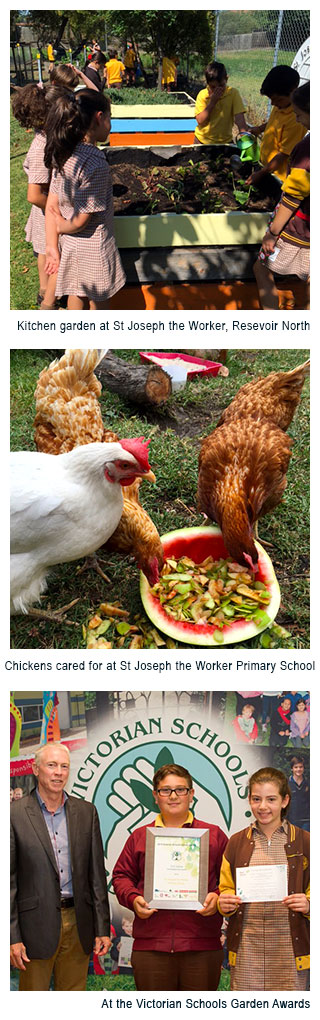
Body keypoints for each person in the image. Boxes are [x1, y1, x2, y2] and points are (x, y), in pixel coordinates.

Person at [112, 763, 227, 991]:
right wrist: (134, 899)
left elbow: (231, 881)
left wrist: (217, 897)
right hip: (151, 947)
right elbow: (121, 876)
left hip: (201, 947)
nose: (173, 796)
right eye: (165, 790)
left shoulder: (214, 835)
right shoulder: (139, 836)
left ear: (191, 794)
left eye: (180, 789)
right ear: (155, 796)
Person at [10, 741, 110, 990]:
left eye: (64, 766)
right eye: (51, 765)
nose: (58, 772)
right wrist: (12, 937)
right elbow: (7, 882)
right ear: (35, 769)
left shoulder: (87, 813)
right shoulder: (14, 814)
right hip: (33, 927)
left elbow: (96, 875)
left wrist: (102, 928)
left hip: (79, 924)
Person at [218, 767, 310, 991]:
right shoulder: (236, 842)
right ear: (249, 800)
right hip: (248, 947)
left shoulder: (305, 841)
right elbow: (226, 890)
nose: (263, 807)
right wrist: (225, 902)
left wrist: (309, 904)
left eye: (271, 799)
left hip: (289, 948)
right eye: (256, 799)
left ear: (285, 800)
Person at [43, 89, 125, 310]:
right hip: (94, 245)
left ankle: (75, 341)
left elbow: (52, 205)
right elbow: (81, 220)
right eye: (110, 118)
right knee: (98, 299)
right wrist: (63, 226)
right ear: (99, 118)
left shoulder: (64, 152)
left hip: (70, 245)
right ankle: (98, 342)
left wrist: (53, 243)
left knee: (76, 292)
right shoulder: (96, 164)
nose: (110, 124)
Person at [254, 81, 310, 311]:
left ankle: (271, 326)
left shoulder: (306, 150)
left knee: (261, 268)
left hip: (298, 228)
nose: (298, 121)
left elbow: (292, 197)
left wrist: (272, 233)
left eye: (300, 115)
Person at [11, 83, 57, 310]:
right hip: (45, 212)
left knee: (43, 252)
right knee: (46, 254)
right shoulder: (41, 147)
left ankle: (45, 293)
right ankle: (47, 300)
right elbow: (34, 195)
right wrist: (57, 210)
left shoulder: (47, 139)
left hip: (47, 211)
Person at [249, 66, 306, 186]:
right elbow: (273, 122)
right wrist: (259, 129)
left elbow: (282, 155)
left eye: (277, 99)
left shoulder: (296, 121)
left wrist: (261, 173)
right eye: (271, 99)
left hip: (278, 177)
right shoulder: (281, 105)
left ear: (293, 91)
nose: (273, 103)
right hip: (267, 169)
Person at [194, 61, 248, 145]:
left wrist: (245, 138)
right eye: (213, 87)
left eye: (221, 86)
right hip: (202, 141)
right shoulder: (202, 95)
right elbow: (200, 120)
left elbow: (239, 118)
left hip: (225, 141)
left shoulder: (233, 93)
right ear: (207, 83)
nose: (217, 90)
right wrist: (212, 102)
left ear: (226, 79)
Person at [287, 756, 310, 831]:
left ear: (303, 768)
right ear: (292, 769)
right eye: (296, 767)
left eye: (301, 767)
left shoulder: (308, 783)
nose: (298, 769)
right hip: (292, 820)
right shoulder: (287, 784)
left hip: (306, 820)